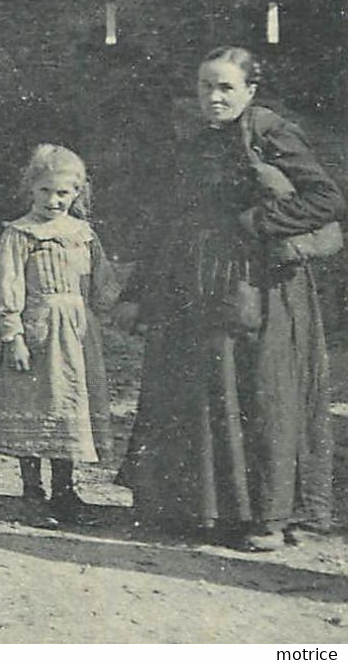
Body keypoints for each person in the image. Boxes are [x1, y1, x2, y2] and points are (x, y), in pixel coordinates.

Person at [117, 46, 342, 551]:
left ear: (250, 91)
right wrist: (138, 293)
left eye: (226, 88)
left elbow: (326, 199)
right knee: (200, 392)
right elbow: (167, 222)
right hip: (194, 282)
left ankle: (269, 516)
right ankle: (204, 512)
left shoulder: (269, 133)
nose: (214, 97)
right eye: (206, 87)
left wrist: (260, 225)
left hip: (259, 285)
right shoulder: (195, 143)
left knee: (260, 393)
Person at [0, 144, 120, 527]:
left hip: (78, 335)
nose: (54, 201)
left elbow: (102, 283)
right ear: (31, 189)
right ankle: (32, 493)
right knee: (36, 404)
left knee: (69, 406)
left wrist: (108, 311)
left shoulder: (84, 235)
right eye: (45, 191)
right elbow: (8, 285)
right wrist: (12, 335)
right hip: (39, 330)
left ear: (78, 192)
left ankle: (66, 490)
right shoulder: (21, 234)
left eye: (64, 193)